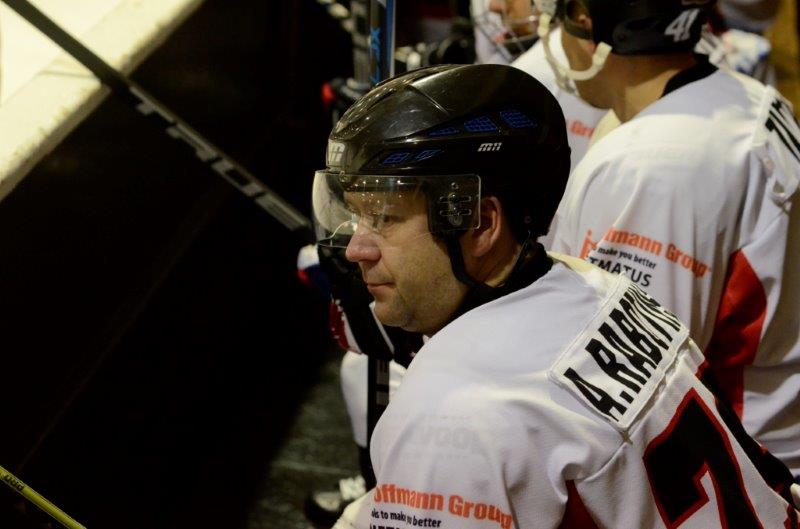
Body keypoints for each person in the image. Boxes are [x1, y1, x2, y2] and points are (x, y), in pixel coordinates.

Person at [310, 62, 800, 528]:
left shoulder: (450, 413)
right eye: (356, 216)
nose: (355, 249)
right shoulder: (606, 288)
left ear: (480, 224)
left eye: (385, 218)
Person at [541, 0, 800, 476]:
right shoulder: (747, 95)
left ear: (588, 21)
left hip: (745, 472)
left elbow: (631, 392)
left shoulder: (651, 164)